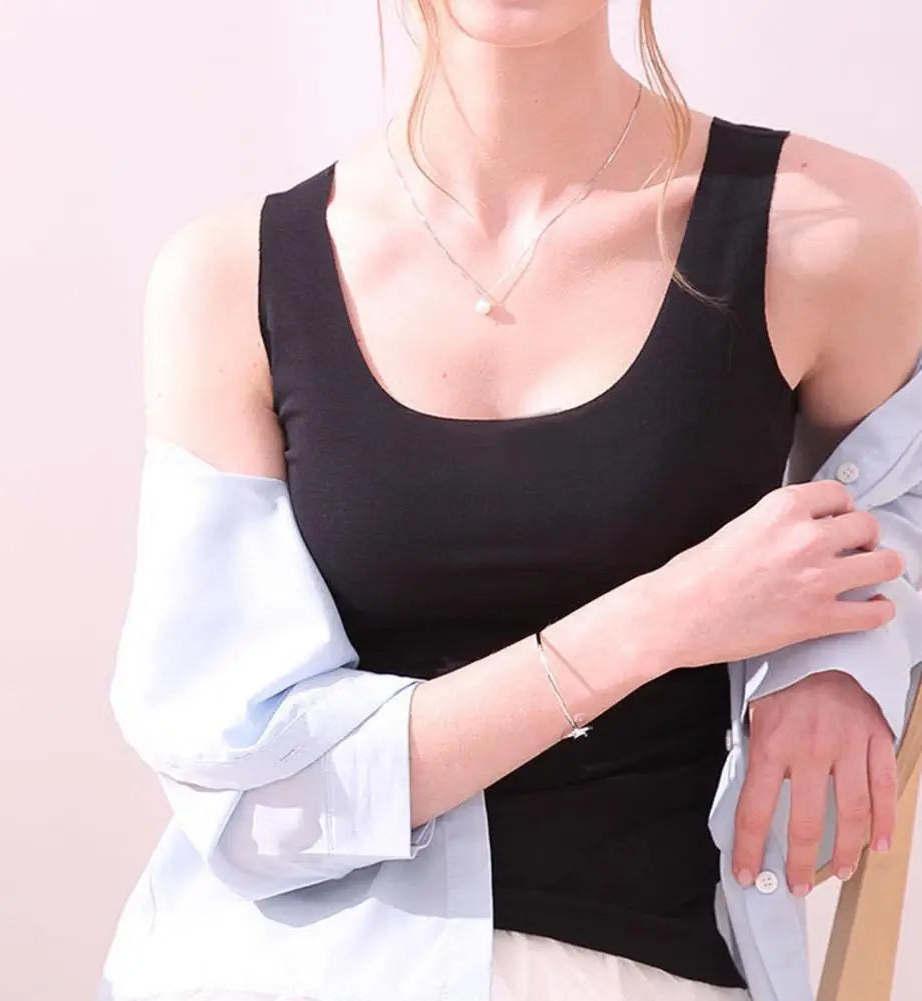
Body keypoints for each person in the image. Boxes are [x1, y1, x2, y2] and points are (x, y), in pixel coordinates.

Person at [100, 3, 922, 1000]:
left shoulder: (827, 230)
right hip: (292, 966)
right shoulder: (233, 280)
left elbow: (896, 501)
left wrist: (837, 652)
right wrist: (660, 620)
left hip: (636, 964)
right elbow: (251, 798)